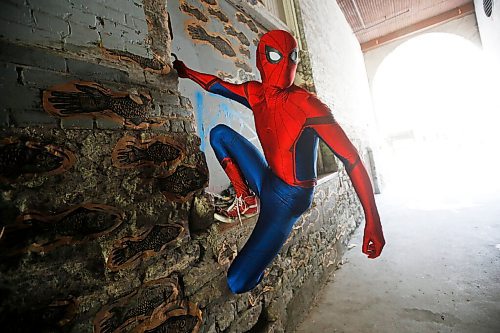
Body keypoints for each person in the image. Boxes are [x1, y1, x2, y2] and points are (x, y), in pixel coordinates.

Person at [173, 30, 385, 294]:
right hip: (268, 180)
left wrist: (373, 220)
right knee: (219, 134)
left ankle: (259, 268)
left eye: (292, 56)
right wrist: (185, 71)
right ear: (261, 60)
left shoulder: (307, 105)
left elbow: (351, 159)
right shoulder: (255, 94)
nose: (286, 63)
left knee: (237, 282)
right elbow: (215, 85)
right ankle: (246, 198)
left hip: (289, 199)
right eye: (275, 56)